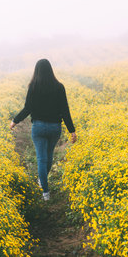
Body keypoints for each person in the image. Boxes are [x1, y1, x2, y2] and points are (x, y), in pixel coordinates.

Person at [10, 59, 77, 201]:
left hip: (39, 127)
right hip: (54, 128)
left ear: (37, 71)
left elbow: (27, 108)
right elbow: (65, 110)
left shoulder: (33, 86)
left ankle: (45, 193)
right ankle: (43, 181)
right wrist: (72, 130)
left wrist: (15, 121)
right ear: (50, 70)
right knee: (49, 157)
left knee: (41, 159)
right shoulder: (59, 87)